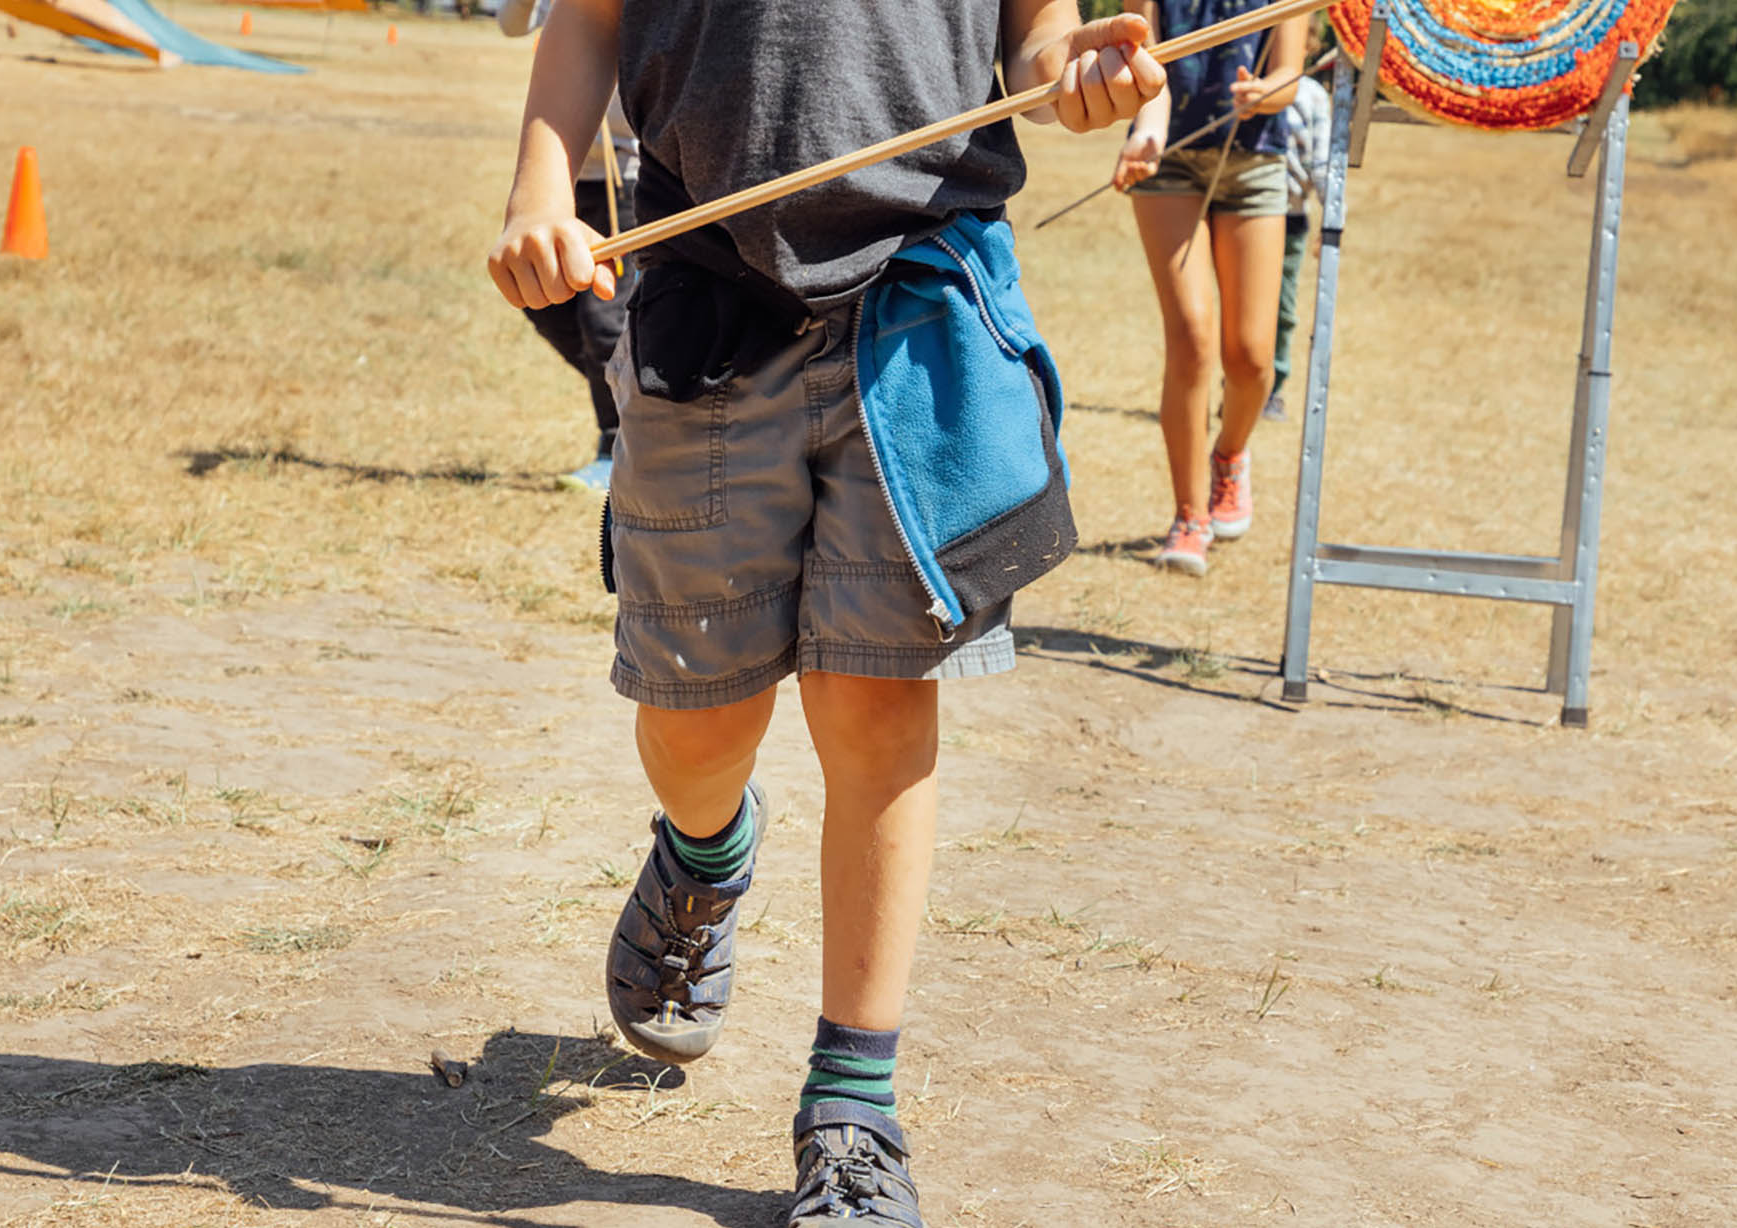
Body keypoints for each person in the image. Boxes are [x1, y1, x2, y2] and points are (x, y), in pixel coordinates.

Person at [485, 2, 1164, 1223]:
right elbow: (585, 23)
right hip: (704, 302)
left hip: (924, 303)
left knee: (875, 709)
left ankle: (852, 1111)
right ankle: (704, 851)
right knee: (701, 729)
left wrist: (1078, 81)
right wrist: (544, 191)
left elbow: (1038, 48)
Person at [1112, 0, 1307, 576]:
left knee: (1250, 358)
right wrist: (1147, 130)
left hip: (1255, 162)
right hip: (1167, 158)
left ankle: (1229, 455)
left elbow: (1288, 76)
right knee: (1192, 338)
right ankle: (1190, 517)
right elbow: (1148, 65)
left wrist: (1263, 95)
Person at [498, 0, 638, 492]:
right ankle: (642, 403)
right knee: (544, 300)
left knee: (604, 319)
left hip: (629, 179)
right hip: (569, 184)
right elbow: (510, 24)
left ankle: (617, 439)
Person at [1264, 71, 1331, 423]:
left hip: (1289, 218)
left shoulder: (1313, 95)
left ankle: (1271, 388)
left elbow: (1321, 160)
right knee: (1238, 309)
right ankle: (1238, 386)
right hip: (1240, 211)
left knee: (1282, 310)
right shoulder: (1247, 80)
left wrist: (1332, 218)